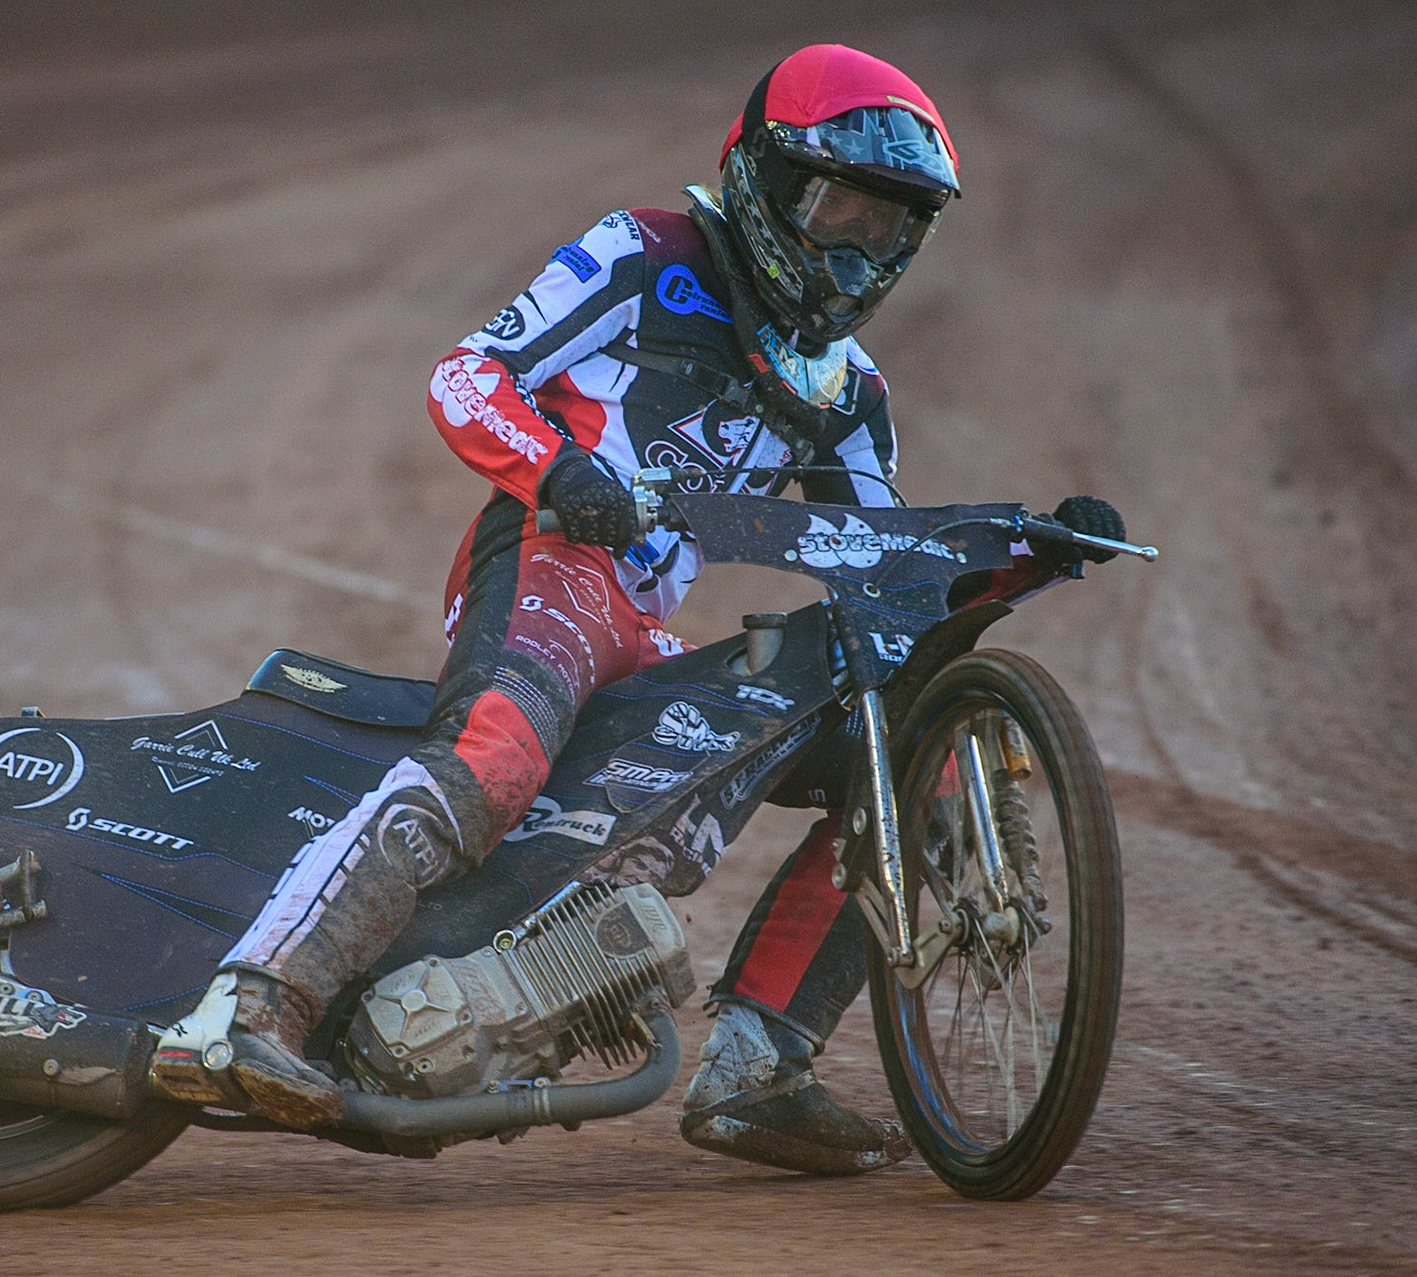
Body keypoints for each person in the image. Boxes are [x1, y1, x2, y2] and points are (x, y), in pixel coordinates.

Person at [189, 44, 1125, 1171]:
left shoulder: (851, 392)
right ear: (766, 182)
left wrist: (1020, 555)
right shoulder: (641, 253)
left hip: (645, 627)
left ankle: (754, 1067)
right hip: (547, 557)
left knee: (903, 751)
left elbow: (881, 569)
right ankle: (248, 1006)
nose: (857, 250)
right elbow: (467, 374)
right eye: (837, 208)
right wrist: (557, 470)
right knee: (495, 762)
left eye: (889, 230)